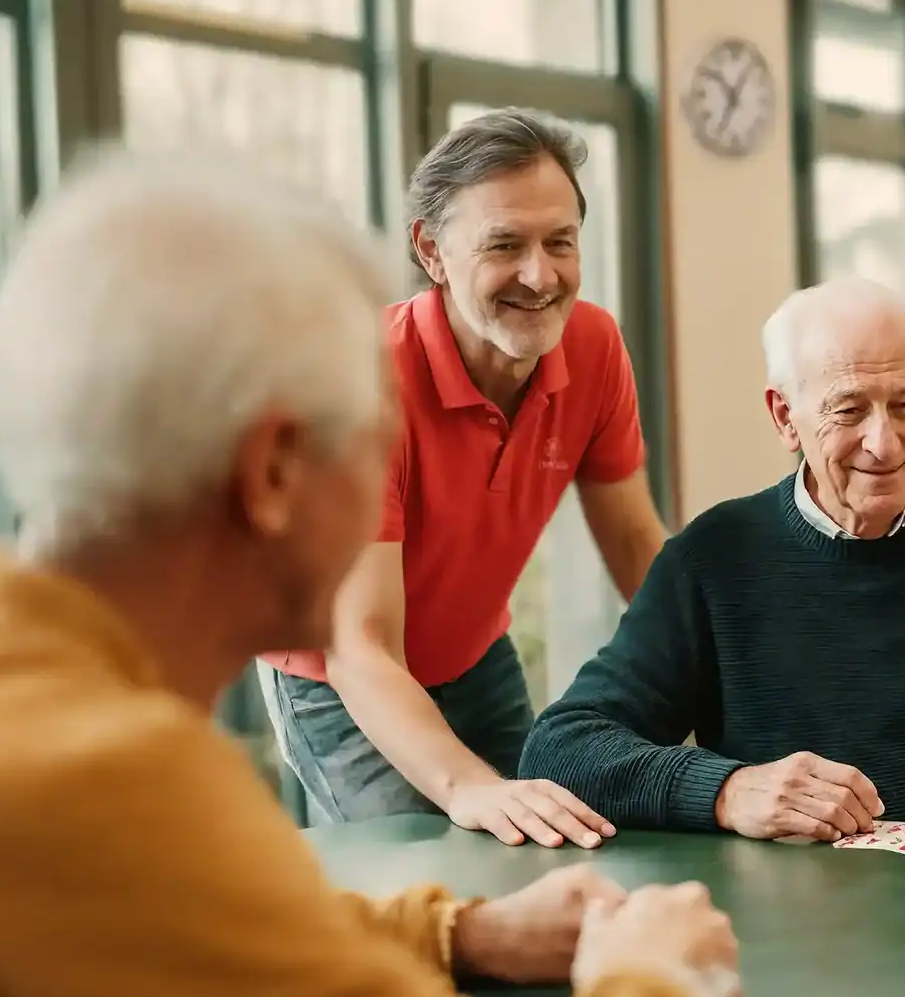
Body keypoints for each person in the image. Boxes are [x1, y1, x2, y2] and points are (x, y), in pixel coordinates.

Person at [0, 153, 739, 997]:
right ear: (271, 475)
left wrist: (460, 931)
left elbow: (195, 926)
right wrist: (658, 985)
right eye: (377, 435)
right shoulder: (104, 787)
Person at [519, 277, 905, 863]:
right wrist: (728, 790)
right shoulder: (713, 556)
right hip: (784, 915)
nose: (884, 444)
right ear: (784, 416)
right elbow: (561, 748)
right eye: (849, 410)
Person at [261, 109, 669, 846]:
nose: (540, 276)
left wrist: (746, 694)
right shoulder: (363, 383)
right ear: (432, 250)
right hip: (339, 676)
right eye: (504, 245)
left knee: (553, 846)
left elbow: (639, 545)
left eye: (560, 242)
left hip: (474, 651)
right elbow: (364, 643)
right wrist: (469, 785)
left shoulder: (596, 346)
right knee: (436, 883)